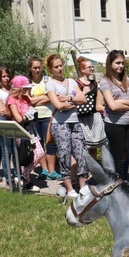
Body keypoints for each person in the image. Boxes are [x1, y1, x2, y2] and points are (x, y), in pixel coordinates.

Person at [45, 54, 87, 200]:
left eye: (61, 65)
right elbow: (58, 105)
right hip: (59, 123)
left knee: (81, 154)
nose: (60, 69)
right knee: (64, 154)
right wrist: (74, 103)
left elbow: (83, 98)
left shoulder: (70, 81)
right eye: (56, 67)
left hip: (75, 122)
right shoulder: (50, 84)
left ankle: (82, 187)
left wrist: (69, 99)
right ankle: (69, 188)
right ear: (51, 69)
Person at [99, 50, 129, 186]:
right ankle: (120, 189)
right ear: (110, 63)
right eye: (117, 63)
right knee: (121, 160)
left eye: (123, 63)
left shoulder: (128, 80)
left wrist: (121, 103)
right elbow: (112, 106)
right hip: (114, 125)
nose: (121, 66)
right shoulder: (105, 82)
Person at [7, 75, 43, 192]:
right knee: (25, 155)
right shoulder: (12, 100)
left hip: (31, 129)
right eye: (25, 87)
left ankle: (23, 177)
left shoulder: (26, 99)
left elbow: (31, 110)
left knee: (39, 152)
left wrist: (29, 114)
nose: (28, 89)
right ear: (19, 88)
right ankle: (25, 180)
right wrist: (29, 115)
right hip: (20, 131)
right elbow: (18, 118)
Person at [28, 56, 60, 180]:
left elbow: (51, 97)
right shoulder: (28, 82)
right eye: (35, 68)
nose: (37, 70)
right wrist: (44, 98)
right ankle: (44, 170)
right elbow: (28, 100)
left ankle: (52, 171)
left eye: (39, 68)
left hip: (48, 115)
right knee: (39, 145)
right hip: (34, 117)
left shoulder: (47, 80)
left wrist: (35, 101)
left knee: (50, 143)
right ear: (30, 68)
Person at [0, 66, 14, 184]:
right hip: (4, 125)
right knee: (7, 151)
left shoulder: (14, 89)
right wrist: (15, 112)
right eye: (3, 76)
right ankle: (8, 177)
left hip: (16, 124)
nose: (6, 78)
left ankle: (17, 175)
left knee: (16, 151)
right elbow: (3, 112)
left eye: (8, 76)